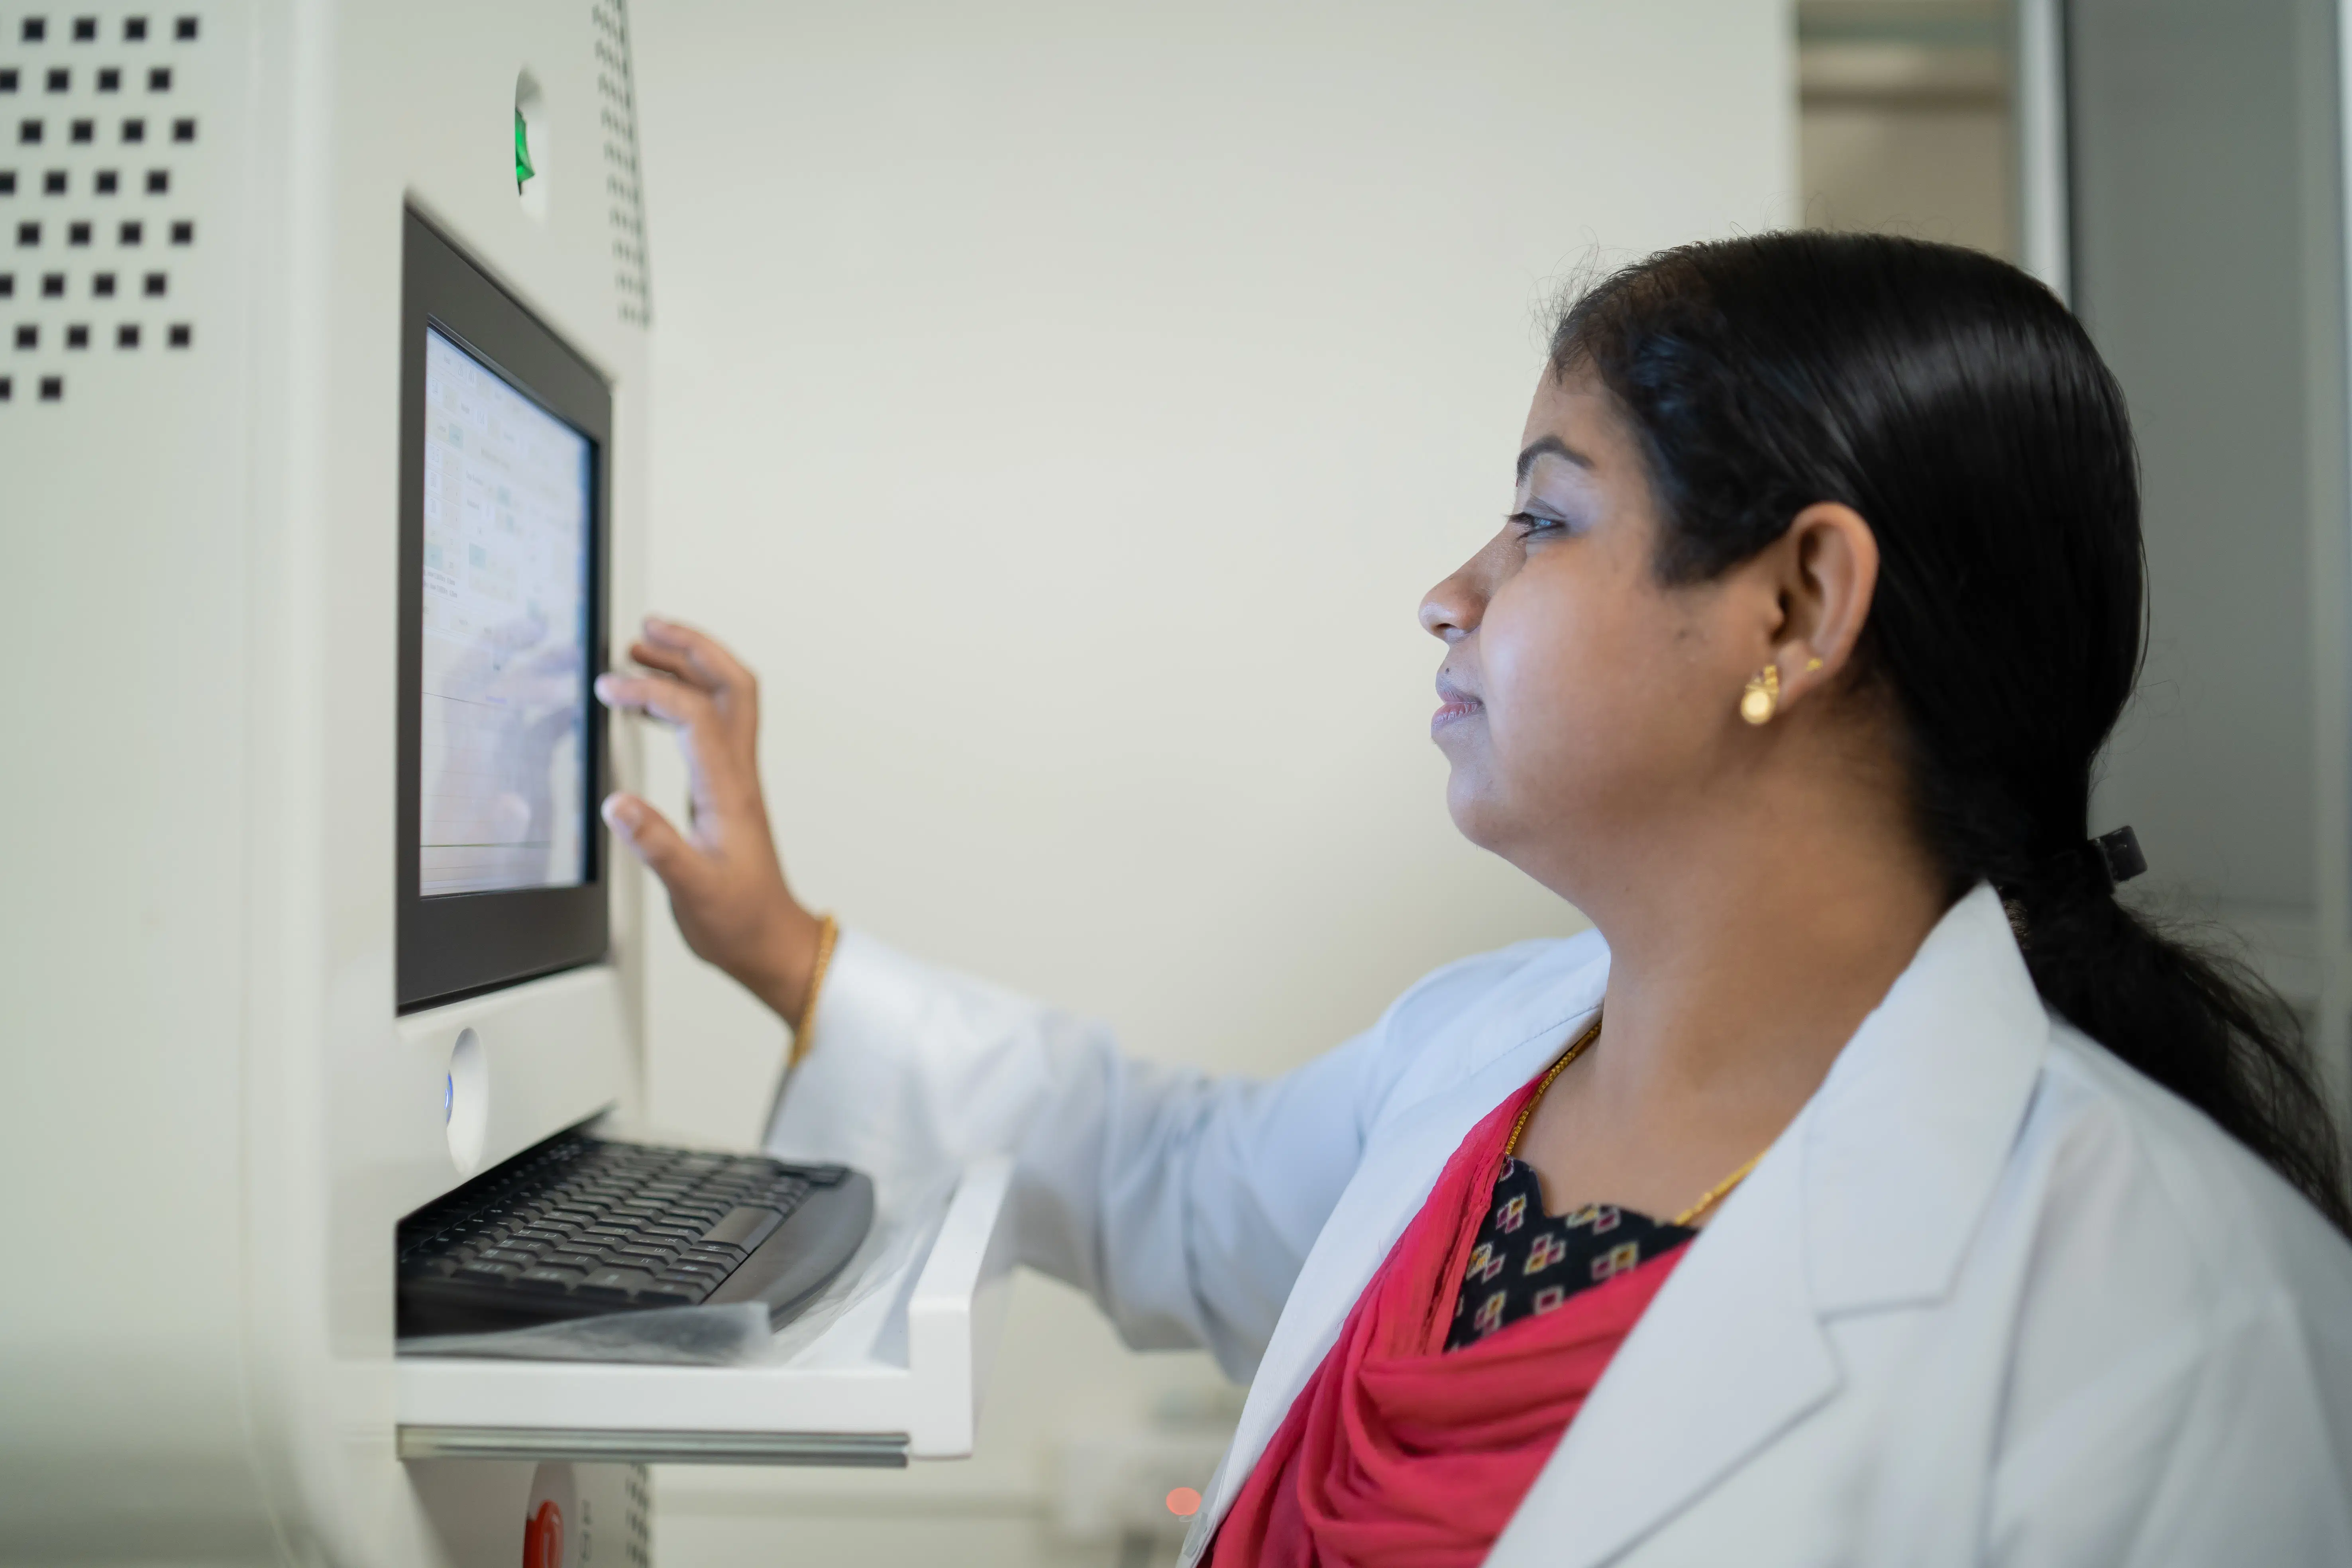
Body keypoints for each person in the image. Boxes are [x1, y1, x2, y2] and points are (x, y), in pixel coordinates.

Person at [594, 233, 2352, 1566]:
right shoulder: (1477, 1061)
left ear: (1797, 605)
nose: (1449, 592)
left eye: (1543, 517)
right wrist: (779, 941)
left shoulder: (2187, 1327)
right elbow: (1152, 1172)